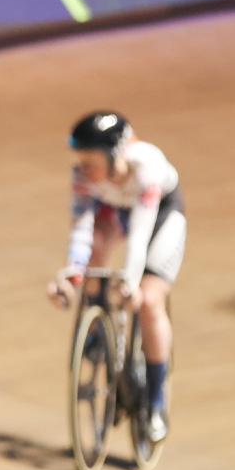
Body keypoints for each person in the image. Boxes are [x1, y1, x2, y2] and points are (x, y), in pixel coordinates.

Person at [48, 110, 183, 444]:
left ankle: (155, 400)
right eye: (82, 161)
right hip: (117, 212)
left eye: (92, 162)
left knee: (150, 301)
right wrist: (71, 275)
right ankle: (97, 328)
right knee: (93, 250)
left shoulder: (147, 166)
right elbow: (81, 228)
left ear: (116, 156)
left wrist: (131, 283)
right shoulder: (83, 176)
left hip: (160, 216)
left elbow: (139, 235)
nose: (86, 170)